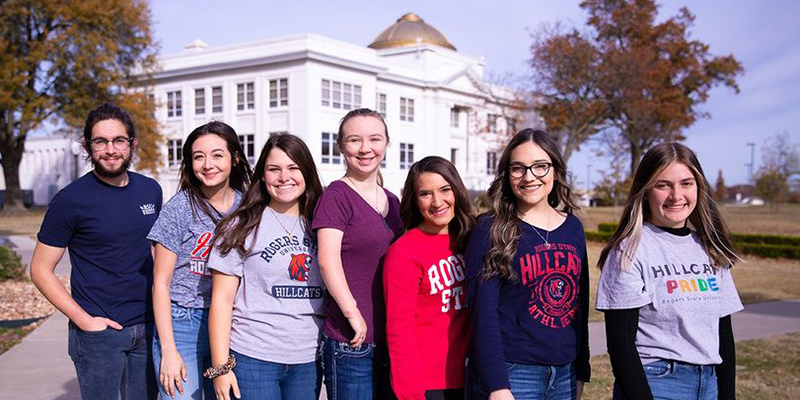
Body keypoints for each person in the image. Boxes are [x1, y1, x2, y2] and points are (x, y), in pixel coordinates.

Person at [30, 103, 162, 399]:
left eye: (118, 140)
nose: (110, 149)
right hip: (99, 336)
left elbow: (156, 254)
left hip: (148, 326)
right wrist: (85, 321)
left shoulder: (150, 190)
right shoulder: (70, 200)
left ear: (132, 144)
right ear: (87, 146)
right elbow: (40, 269)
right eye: (100, 141)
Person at [595, 143, 743, 400]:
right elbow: (621, 347)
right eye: (663, 185)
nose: (677, 195)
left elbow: (723, 337)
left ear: (699, 187)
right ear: (645, 191)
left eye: (686, 183)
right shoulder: (629, 250)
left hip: (709, 385)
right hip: (657, 384)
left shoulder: (710, 248)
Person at [465, 129, 591, 400]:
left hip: (564, 374)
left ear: (555, 170)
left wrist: (582, 369)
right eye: (518, 168)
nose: (529, 177)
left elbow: (579, 305)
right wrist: (497, 385)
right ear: (507, 175)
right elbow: (482, 313)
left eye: (540, 166)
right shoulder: (490, 228)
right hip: (514, 373)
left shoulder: (573, 227)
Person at [207, 133, 325, 400]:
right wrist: (220, 368)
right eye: (274, 169)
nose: (284, 177)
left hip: (308, 360)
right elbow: (222, 300)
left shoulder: (323, 224)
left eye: (293, 168)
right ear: (262, 175)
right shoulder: (241, 225)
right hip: (253, 357)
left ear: (306, 172)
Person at [147, 121, 251, 399]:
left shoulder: (248, 208)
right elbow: (160, 284)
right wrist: (168, 350)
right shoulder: (179, 208)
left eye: (217, 155)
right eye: (198, 156)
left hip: (233, 324)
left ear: (235, 158)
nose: (208, 164)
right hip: (183, 323)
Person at [313, 108, 403, 400]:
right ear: (341, 146)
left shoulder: (393, 201)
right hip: (352, 340)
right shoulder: (336, 196)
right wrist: (353, 314)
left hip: (390, 339)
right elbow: (327, 261)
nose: (365, 148)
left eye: (374, 139)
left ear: (387, 144)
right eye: (354, 140)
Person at [383, 156, 476, 400]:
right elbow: (398, 329)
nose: (437, 202)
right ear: (415, 200)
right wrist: (410, 393)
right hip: (427, 383)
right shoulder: (404, 251)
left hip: (472, 377)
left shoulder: (472, 240)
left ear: (456, 190)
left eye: (445, 189)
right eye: (425, 193)